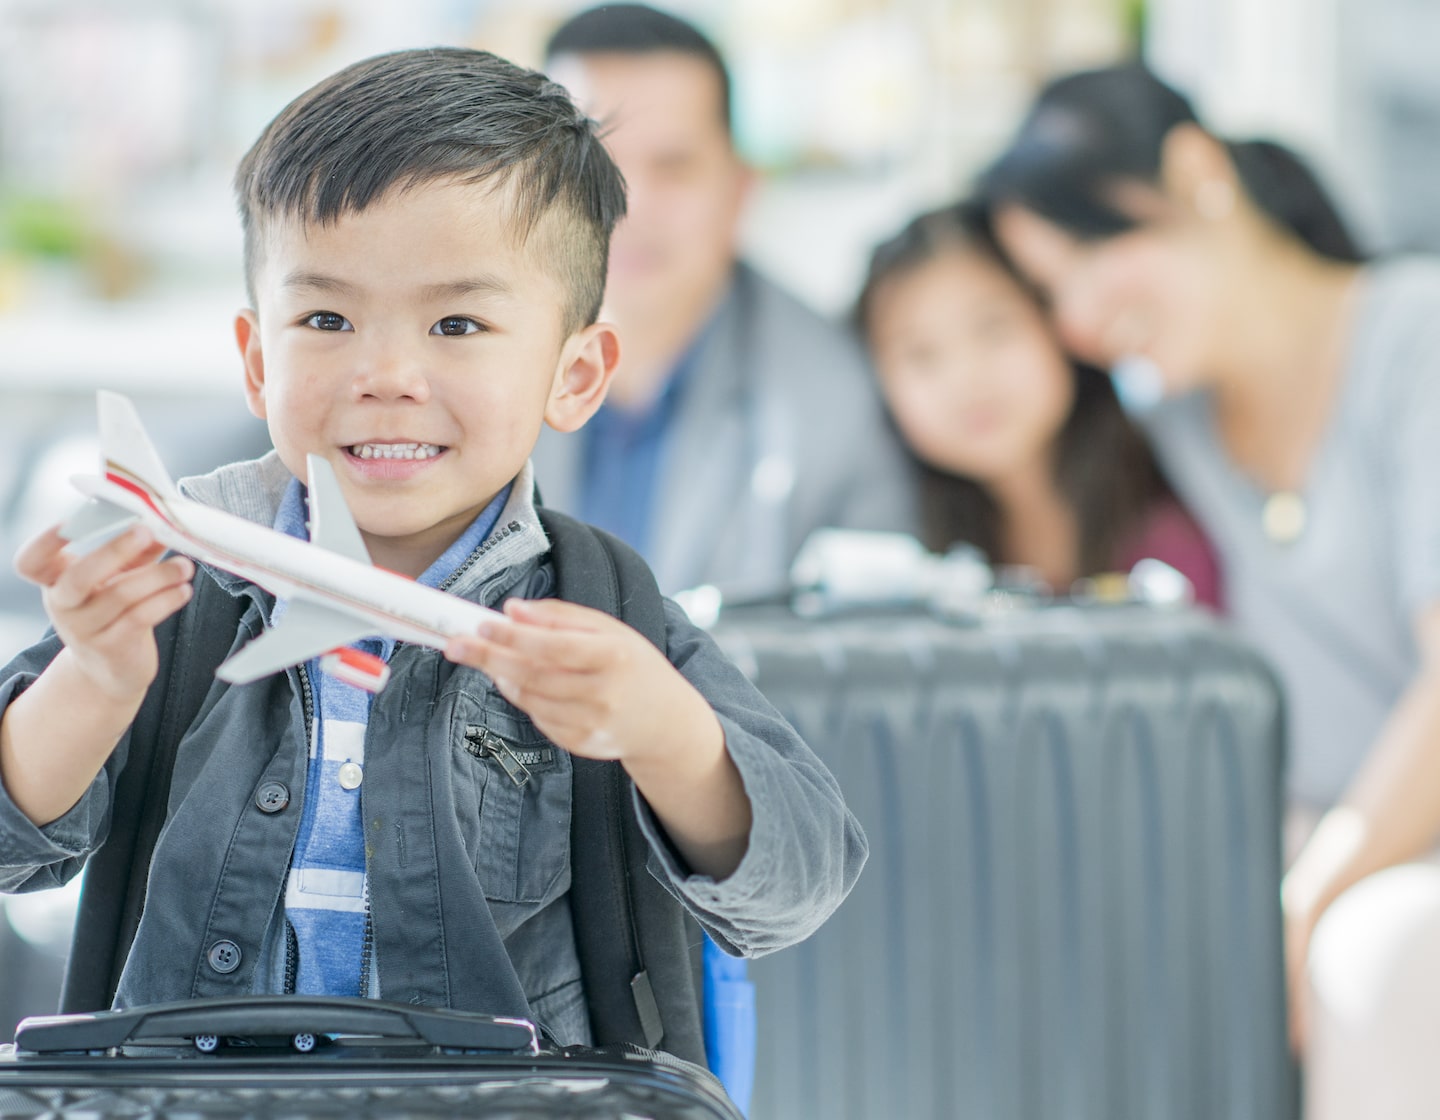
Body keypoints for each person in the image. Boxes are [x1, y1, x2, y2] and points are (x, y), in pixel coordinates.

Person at [0, 47, 865, 1053]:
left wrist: (664, 731)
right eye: (326, 317)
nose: (387, 372)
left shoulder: (605, 613)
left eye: (458, 322)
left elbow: (801, 886)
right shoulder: (177, 596)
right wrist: (97, 682)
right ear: (254, 360)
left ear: (575, 374)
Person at [979, 61, 1440, 1118]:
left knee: (1372, 950)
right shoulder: (1171, 419)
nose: (1081, 318)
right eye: (1050, 293)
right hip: (1301, 829)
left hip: (1389, 852)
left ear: (1195, 173)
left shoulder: (1415, 334)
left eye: (1095, 252)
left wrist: (1308, 899)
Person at [535, 3, 917, 597]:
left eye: (675, 166)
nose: (628, 205)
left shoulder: (838, 398)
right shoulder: (458, 355)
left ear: (739, 191)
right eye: (591, 164)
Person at [855, 199, 1221, 605]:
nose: (966, 378)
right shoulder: (899, 562)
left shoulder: (1175, 523)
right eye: (921, 355)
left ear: (1057, 318)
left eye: (993, 328)